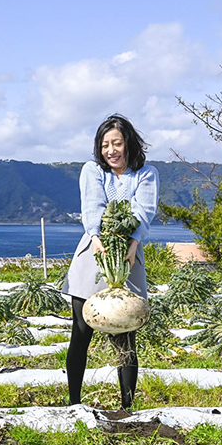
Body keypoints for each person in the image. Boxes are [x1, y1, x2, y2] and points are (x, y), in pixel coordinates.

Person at [62, 114, 159, 410]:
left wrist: (132, 243)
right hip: (95, 251)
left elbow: (144, 212)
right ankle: (74, 403)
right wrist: (96, 236)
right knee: (81, 332)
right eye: (105, 145)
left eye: (117, 143)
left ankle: (127, 406)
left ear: (129, 143)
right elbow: (92, 206)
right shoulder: (93, 170)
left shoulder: (146, 173)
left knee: (125, 335)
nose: (111, 150)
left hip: (127, 257)